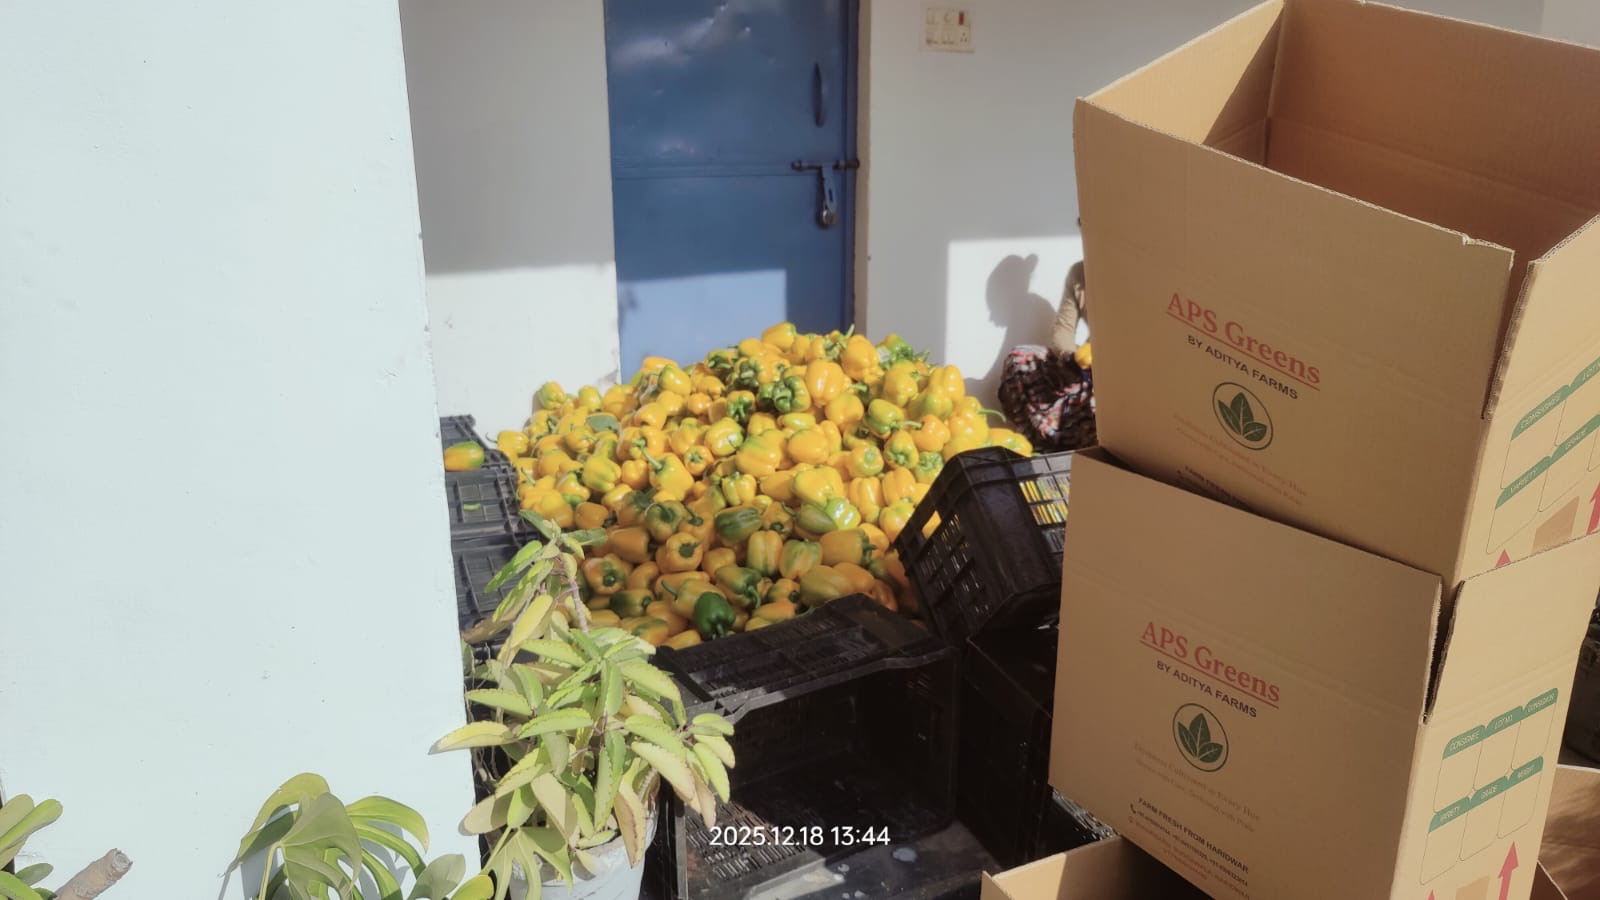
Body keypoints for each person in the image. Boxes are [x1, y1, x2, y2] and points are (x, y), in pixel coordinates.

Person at [997, 261, 1097, 452]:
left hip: (1122, 378)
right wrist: (1069, 358)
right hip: (1087, 368)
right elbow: (1064, 329)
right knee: (1019, 360)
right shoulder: (1079, 274)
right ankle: (1045, 444)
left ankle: (1090, 449)